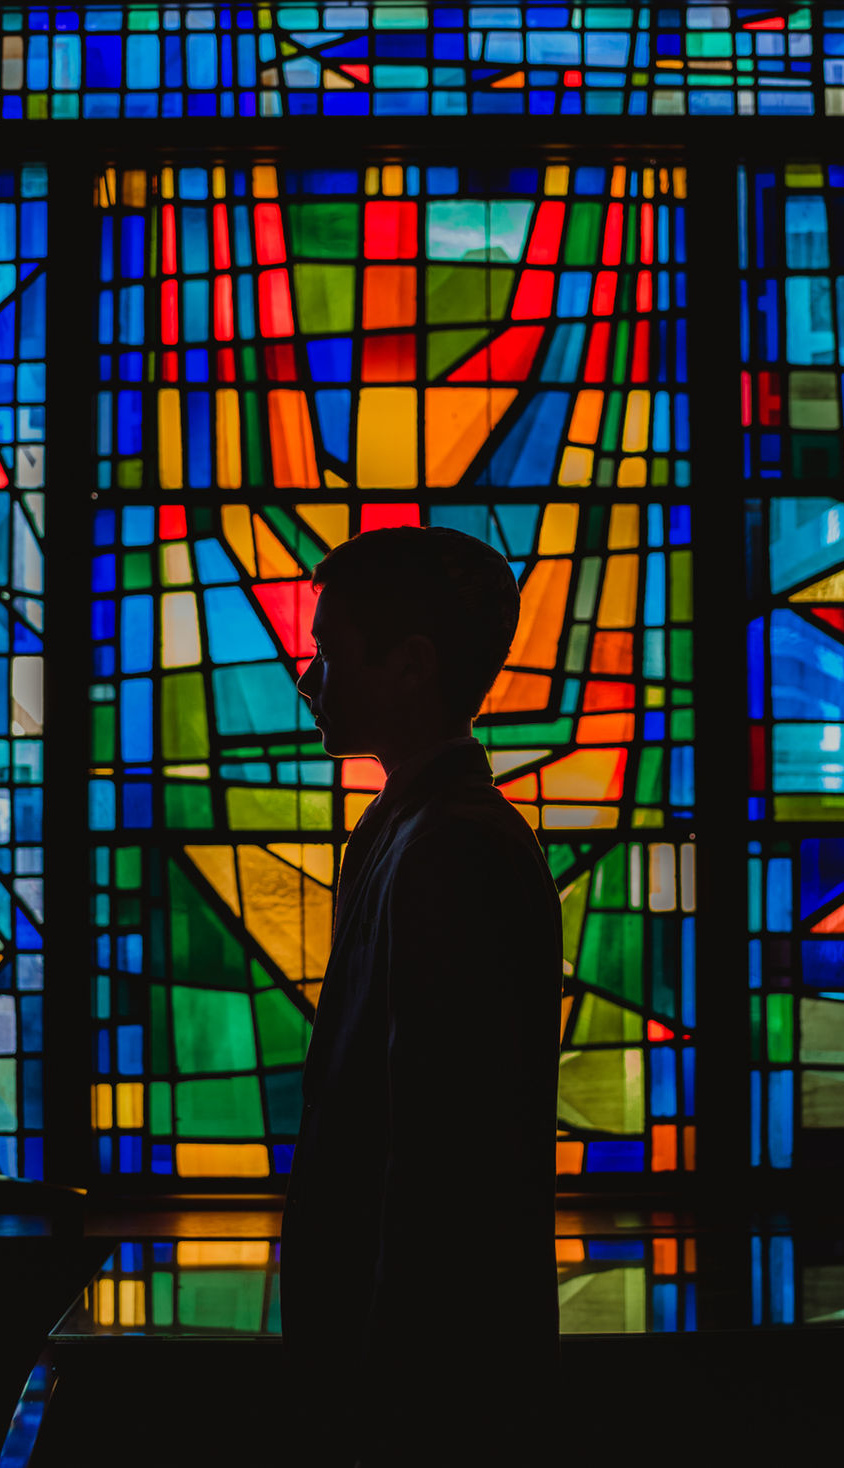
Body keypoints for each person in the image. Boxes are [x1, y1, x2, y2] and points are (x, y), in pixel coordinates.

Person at [279, 525, 564, 1467]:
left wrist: (381, 1381)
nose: (309, 679)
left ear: (410, 666)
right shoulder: (413, 830)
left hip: (422, 1378)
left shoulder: (452, 848)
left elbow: (444, 1148)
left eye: (330, 652)